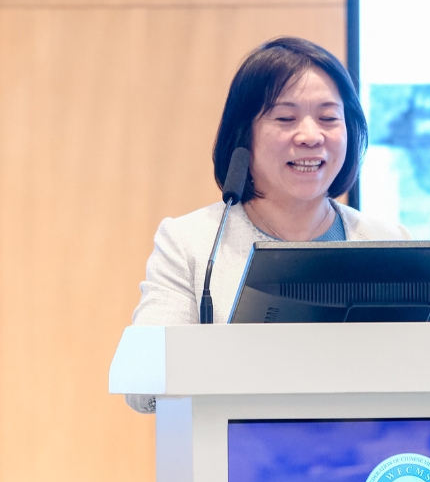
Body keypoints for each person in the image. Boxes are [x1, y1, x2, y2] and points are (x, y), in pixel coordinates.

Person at [127, 37, 410, 412]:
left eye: (328, 118)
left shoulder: (387, 241)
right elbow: (141, 384)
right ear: (244, 135)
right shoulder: (192, 243)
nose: (310, 136)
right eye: (285, 118)